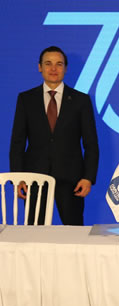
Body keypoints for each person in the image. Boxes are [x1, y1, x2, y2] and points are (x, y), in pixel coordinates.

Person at [9, 46, 99, 225]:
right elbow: (17, 142)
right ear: (39, 67)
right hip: (34, 179)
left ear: (65, 68)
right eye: (48, 63)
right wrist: (17, 177)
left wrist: (88, 177)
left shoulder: (81, 100)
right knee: (35, 235)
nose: (53, 69)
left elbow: (91, 144)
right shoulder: (26, 99)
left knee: (74, 234)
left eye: (59, 64)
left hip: (72, 180)